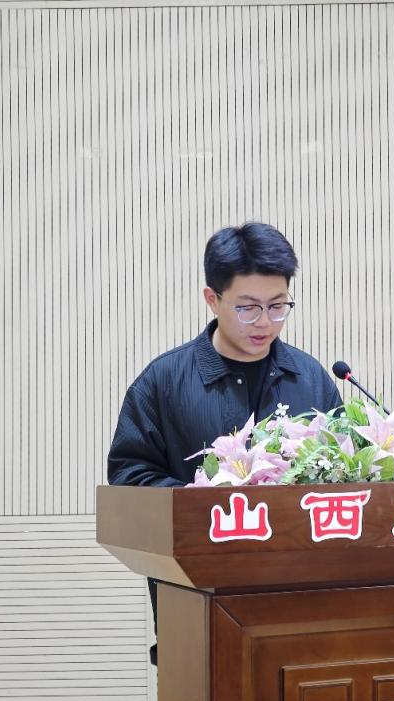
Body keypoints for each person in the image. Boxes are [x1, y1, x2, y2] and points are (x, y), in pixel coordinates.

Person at [107, 222, 343, 663]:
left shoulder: (311, 379)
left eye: (278, 305)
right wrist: (203, 501)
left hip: (302, 610)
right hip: (198, 608)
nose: (265, 322)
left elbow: (346, 480)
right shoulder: (163, 382)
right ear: (212, 299)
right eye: (248, 307)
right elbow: (129, 478)